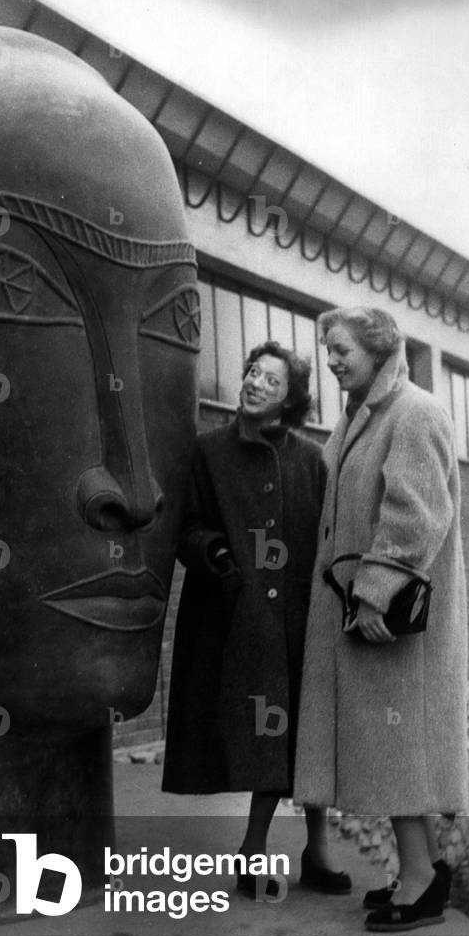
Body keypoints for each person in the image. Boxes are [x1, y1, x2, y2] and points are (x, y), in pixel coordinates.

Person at [294, 305, 467, 932]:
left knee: (397, 749)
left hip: (393, 622)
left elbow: (416, 514)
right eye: (327, 350)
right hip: (368, 620)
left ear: (378, 348)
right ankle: (422, 871)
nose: (331, 360)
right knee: (394, 750)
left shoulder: (414, 412)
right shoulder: (360, 419)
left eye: (341, 349)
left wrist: (373, 591)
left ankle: (420, 883)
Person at [163, 340, 350, 897]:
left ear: (290, 398)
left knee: (309, 737)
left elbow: (329, 534)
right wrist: (219, 561)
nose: (253, 382)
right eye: (250, 372)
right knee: (266, 739)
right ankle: (255, 851)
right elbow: (185, 525)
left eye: (271, 379)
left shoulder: (312, 458)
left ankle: (311, 854)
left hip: (301, 619)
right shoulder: (208, 451)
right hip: (235, 621)